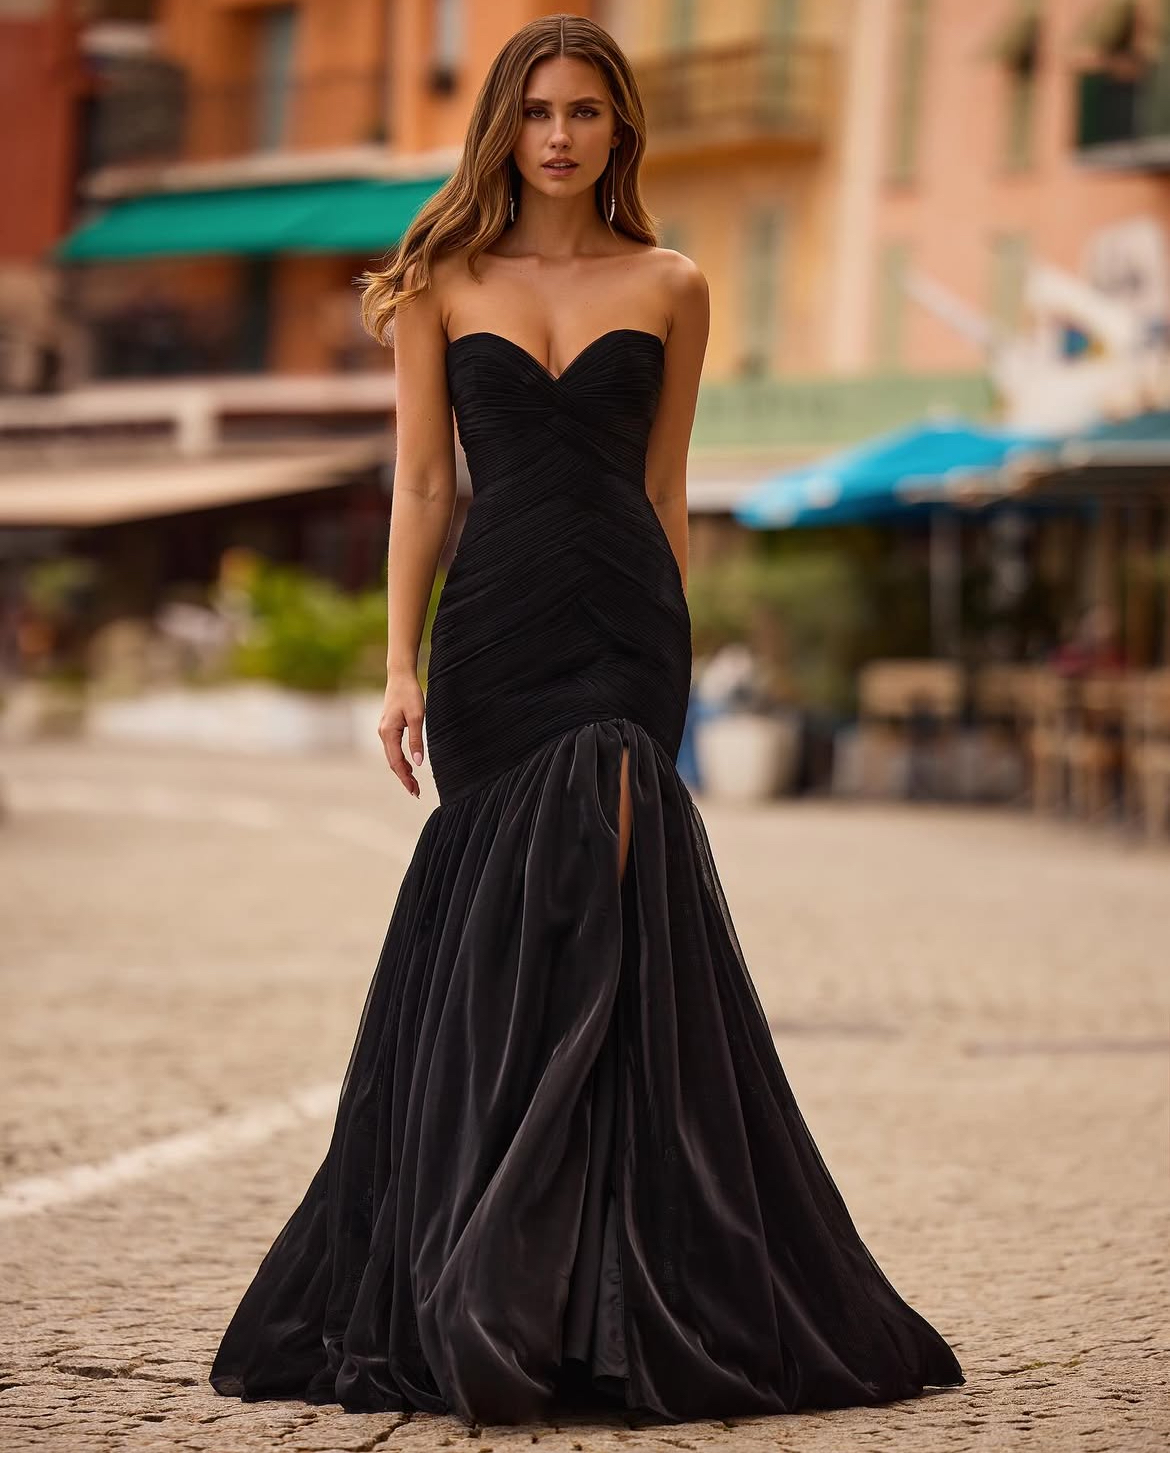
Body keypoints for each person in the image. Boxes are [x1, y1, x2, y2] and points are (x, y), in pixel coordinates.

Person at [208, 14, 966, 1427]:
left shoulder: (672, 285)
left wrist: (671, 648)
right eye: (538, 110)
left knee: (610, 933)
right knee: (513, 944)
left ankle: (599, 1293)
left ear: (620, 130)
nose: (559, 136)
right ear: (503, 126)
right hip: (492, 637)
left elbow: (665, 486)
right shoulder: (440, 282)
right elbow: (424, 486)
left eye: (585, 112)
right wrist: (396, 665)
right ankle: (495, 1275)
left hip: (624, 633)